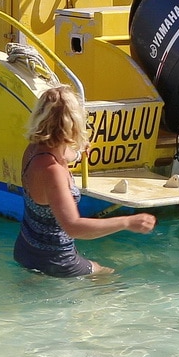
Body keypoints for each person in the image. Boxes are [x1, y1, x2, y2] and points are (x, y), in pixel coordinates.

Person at [13, 86, 155, 277]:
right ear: (74, 124)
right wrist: (127, 222)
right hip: (56, 261)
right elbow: (73, 227)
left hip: (25, 249)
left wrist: (79, 152)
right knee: (110, 277)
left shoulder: (34, 151)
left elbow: (65, 154)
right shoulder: (53, 172)